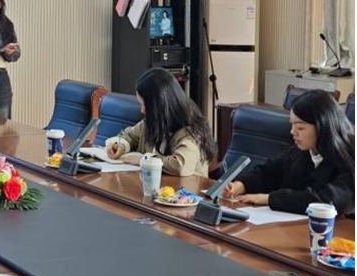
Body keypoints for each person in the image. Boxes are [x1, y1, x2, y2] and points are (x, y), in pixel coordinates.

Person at [224, 90, 355, 215]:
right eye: (292, 125)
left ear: (323, 126)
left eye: (300, 127)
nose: (293, 132)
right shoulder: (300, 151)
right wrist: (241, 185)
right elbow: (268, 173)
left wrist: (269, 199)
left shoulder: (349, 158)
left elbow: (326, 202)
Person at [106, 67, 216, 177]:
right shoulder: (153, 122)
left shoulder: (191, 131)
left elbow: (180, 165)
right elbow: (129, 135)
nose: (142, 110)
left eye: (145, 105)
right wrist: (121, 145)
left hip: (184, 187)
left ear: (161, 105)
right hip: (156, 184)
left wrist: (143, 159)